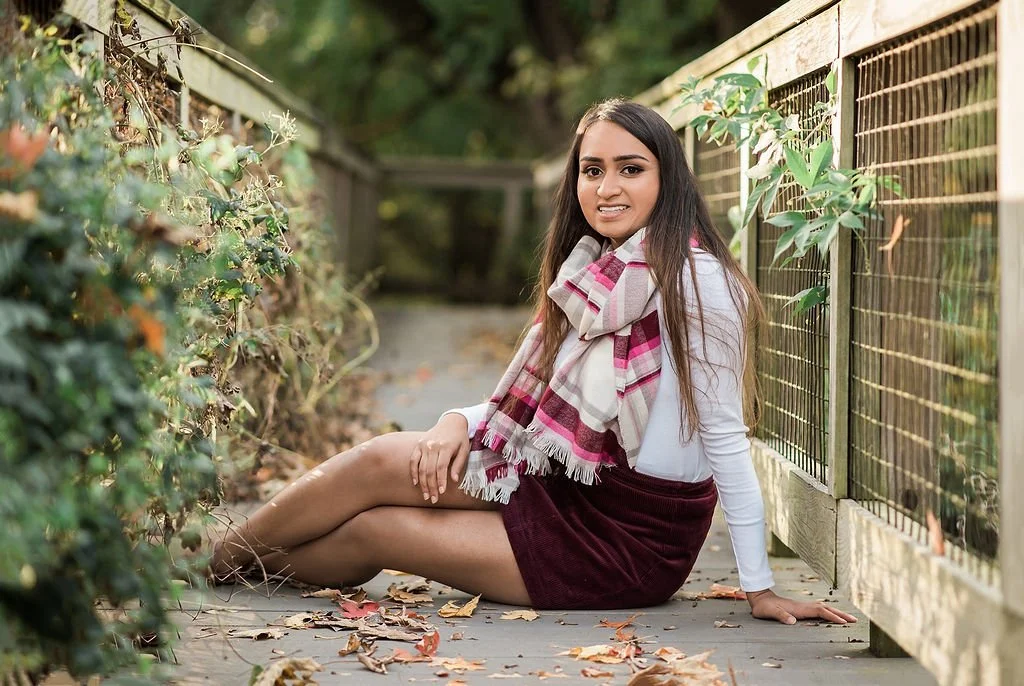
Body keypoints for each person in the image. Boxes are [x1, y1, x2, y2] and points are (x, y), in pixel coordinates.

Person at [209, 98, 856, 625]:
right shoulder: (592, 270)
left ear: (668, 179)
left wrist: (759, 587)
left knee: (377, 531)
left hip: (630, 538)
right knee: (379, 460)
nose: (606, 187)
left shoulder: (699, 281)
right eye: (592, 170)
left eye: (630, 169)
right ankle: (220, 559)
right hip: (562, 480)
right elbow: (538, 405)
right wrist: (458, 420)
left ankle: (223, 565)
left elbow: (723, 435)